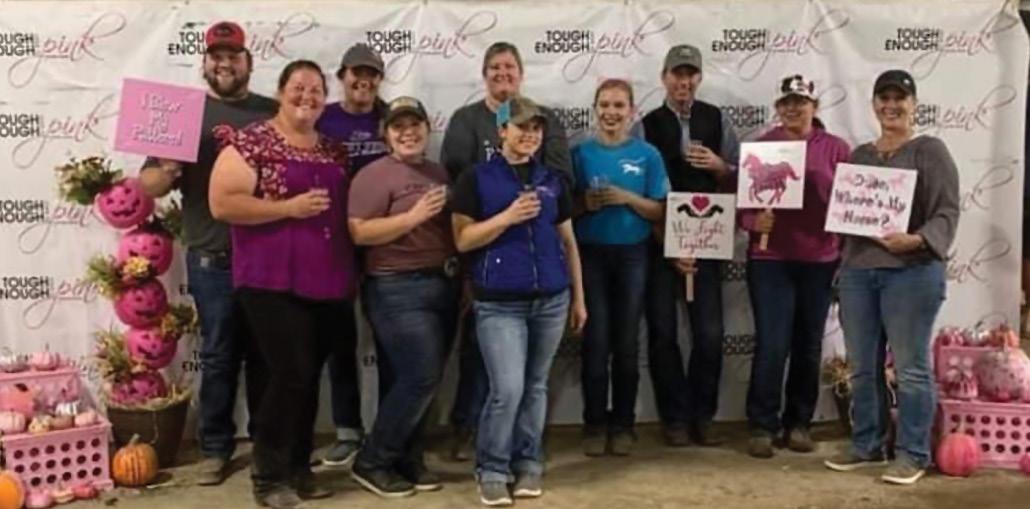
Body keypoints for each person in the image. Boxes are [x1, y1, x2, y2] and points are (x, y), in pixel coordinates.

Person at [209, 60, 358, 509]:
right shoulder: (251, 142)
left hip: (327, 279)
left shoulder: (334, 150)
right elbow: (223, 203)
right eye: (298, 87)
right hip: (269, 279)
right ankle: (268, 476)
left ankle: (298, 468)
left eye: (316, 90)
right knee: (288, 373)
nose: (306, 96)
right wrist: (287, 208)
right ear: (279, 92)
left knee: (308, 377)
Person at [138, 20, 275, 486]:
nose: (225, 63)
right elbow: (149, 185)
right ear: (205, 63)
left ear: (247, 62)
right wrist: (167, 169)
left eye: (233, 56)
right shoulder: (183, 113)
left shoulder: (272, 112)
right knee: (218, 355)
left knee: (265, 355)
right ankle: (215, 447)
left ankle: (267, 445)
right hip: (211, 256)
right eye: (217, 56)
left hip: (266, 255)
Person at [823, 69, 959, 485]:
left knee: (911, 367)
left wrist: (916, 239)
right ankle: (868, 444)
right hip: (859, 273)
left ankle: (913, 453)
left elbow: (946, 211)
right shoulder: (859, 156)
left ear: (914, 105)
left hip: (912, 272)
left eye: (900, 98)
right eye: (884, 98)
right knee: (863, 368)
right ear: (874, 105)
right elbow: (847, 215)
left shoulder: (930, 151)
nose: (891, 105)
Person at [450, 96, 586, 507]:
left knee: (535, 386)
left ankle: (529, 462)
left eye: (536, 128)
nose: (530, 134)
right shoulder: (475, 178)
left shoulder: (552, 180)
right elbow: (463, 239)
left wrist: (579, 298)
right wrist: (507, 217)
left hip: (552, 300)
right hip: (499, 304)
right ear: (502, 131)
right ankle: (492, 468)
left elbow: (569, 242)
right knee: (506, 389)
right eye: (522, 127)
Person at [440, 41, 573, 461]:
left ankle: (524, 453)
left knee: (530, 381)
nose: (503, 73)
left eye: (510, 67)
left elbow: (561, 181)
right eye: (494, 67)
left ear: (521, 73)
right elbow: (457, 185)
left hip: (542, 271)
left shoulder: (547, 126)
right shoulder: (465, 121)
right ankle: (470, 431)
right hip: (487, 263)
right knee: (485, 362)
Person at [346, 97, 459, 498]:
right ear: (386, 134)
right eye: (399, 126)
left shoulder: (438, 172)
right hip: (396, 286)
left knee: (406, 377)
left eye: (415, 124)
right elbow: (359, 232)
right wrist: (412, 217)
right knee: (421, 374)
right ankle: (372, 459)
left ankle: (407, 458)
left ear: (427, 129)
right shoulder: (373, 175)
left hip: (443, 282)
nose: (408, 132)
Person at [633, 44, 740, 447]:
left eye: (690, 74)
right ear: (664, 77)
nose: (684, 81)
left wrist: (720, 167)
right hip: (660, 241)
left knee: (710, 334)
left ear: (699, 78)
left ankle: (703, 414)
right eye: (677, 74)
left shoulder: (717, 118)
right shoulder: (646, 125)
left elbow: (741, 177)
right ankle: (674, 417)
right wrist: (668, 242)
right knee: (663, 334)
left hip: (707, 239)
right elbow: (639, 186)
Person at [740, 75, 851, 459]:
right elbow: (742, 209)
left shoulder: (837, 149)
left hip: (820, 260)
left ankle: (799, 422)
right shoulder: (762, 147)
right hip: (770, 259)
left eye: (800, 102)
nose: (792, 108)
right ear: (778, 107)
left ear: (814, 107)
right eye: (786, 102)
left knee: (808, 344)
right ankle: (762, 424)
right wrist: (754, 222)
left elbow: (850, 202)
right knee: (772, 344)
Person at [573, 79, 667, 457]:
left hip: (634, 255)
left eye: (619, 106)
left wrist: (627, 197)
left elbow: (659, 210)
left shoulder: (648, 154)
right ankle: (595, 423)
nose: (611, 112)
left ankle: (624, 424)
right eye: (605, 105)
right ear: (595, 109)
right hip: (590, 256)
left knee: (627, 343)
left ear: (632, 111)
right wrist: (585, 204)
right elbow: (565, 208)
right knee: (595, 342)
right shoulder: (579, 154)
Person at [316, 42, 390, 469]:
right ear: (342, 76)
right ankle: (347, 430)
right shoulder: (322, 117)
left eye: (371, 73)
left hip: (384, 241)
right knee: (339, 338)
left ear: (379, 79)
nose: (363, 80)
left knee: (389, 337)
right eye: (356, 73)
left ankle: (391, 430)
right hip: (334, 241)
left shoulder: (391, 117)